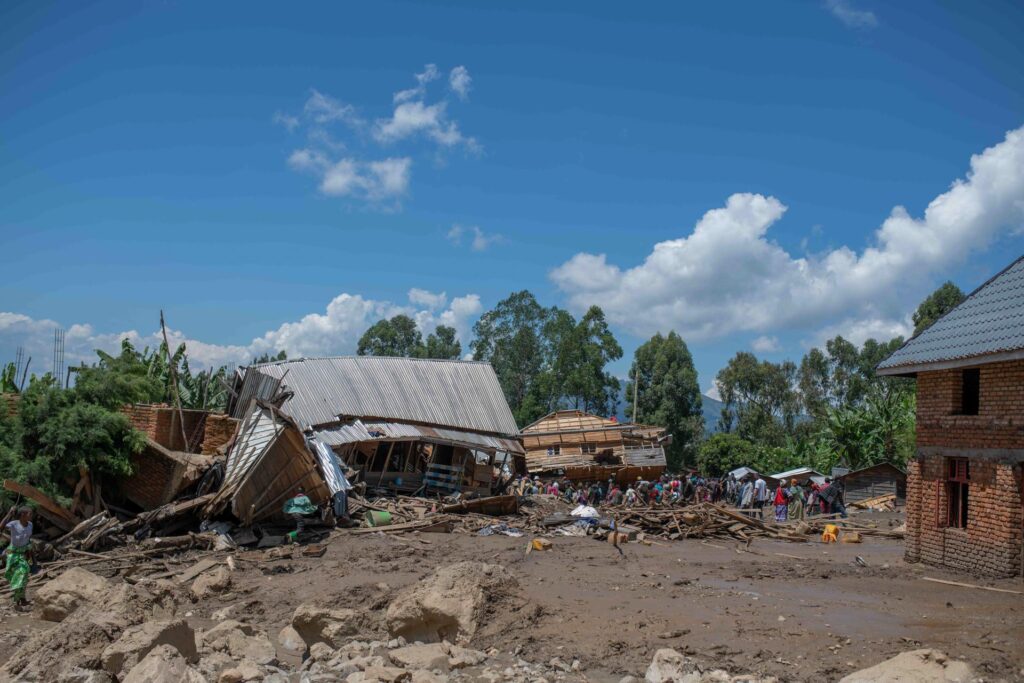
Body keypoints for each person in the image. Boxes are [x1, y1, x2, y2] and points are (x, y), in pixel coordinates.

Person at [4, 506, 34, 610]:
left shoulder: (30, 525)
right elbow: (1, 527)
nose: (31, 516)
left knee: (23, 575)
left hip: (23, 554)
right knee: (19, 575)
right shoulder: (14, 524)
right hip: (13, 554)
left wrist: (30, 556)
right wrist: (9, 513)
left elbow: (28, 540)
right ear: (23, 515)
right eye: (29, 513)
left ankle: (20, 598)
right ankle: (19, 599)